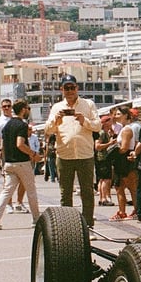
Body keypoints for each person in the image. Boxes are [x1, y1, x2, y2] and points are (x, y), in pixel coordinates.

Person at [44, 75, 100, 227]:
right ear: (61, 90)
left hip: (85, 154)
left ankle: (88, 225)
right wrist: (56, 120)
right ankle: (68, 227)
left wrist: (84, 121)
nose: (69, 91)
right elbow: (48, 130)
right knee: (65, 193)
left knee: (87, 192)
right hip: (64, 155)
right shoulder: (56, 107)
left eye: (72, 87)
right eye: (66, 88)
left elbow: (98, 126)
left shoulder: (88, 104)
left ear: (77, 88)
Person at [0, 99, 41, 229]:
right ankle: (36, 219)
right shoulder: (22, 125)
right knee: (31, 191)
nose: (28, 111)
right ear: (23, 109)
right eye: (27, 109)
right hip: (22, 162)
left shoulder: (7, 125)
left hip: (9, 163)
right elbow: (20, 144)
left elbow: (1, 143)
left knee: (6, 191)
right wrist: (33, 154)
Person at [110, 105, 139, 221]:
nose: (115, 116)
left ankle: (136, 210)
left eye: (118, 114)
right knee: (119, 187)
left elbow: (125, 147)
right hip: (120, 160)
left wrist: (113, 149)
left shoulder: (127, 129)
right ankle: (122, 212)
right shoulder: (122, 128)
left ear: (126, 115)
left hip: (125, 159)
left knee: (131, 186)